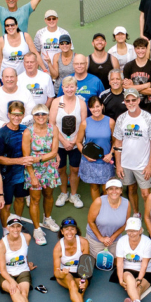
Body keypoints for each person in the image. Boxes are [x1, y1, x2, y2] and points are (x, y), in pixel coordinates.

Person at [113, 88, 151, 217]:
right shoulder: (121, 119)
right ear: (125, 102)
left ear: (138, 100)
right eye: (128, 100)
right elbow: (118, 143)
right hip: (126, 164)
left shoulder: (148, 118)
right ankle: (136, 213)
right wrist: (118, 165)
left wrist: (150, 165)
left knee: (146, 194)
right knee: (131, 189)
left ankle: (148, 216)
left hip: (143, 165)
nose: (131, 103)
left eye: (134, 100)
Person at [22, 104, 61, 244]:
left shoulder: (53, 129)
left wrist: (38, 158)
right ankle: (37, 229)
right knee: (35, 199)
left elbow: (54, 152)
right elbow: (27, 158)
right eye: (37, 114)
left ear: (48, 115)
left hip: (49, 168)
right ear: (33, 116)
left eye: (43, 114)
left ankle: (47, 218)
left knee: (49, 195)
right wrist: (32, 176)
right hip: (33, 170)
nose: (40, 117)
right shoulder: (28, 132)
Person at [0, 101, 32, 234]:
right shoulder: (1, 134)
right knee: (7, 205)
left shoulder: (25, 130)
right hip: (7, 176)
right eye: (13, 115)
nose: (16, 117)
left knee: (20, 199)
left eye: (19, 115)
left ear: (23, 115)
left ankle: (17, 223)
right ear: (8, 115)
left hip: (22, 176)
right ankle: (6, 229)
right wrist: (19, 161)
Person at [49, 76, 87, 209]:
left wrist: (75, 141)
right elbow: (52, 124)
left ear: (76, 88)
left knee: (75, 169)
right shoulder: (56, 102)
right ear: (62, 88)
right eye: (67, 87)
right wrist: (64, 141)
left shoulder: (81, 103)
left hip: (76, 144)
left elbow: (83, 124)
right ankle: (64, 193)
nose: (69, 89)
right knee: (61, 169)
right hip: (59, 143)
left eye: (72, 87)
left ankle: (74, 195)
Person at [0, 214, 39, 302]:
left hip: (22, 270)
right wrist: (12, 281)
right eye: (12, 226)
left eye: (18, 226)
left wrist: (27, 264)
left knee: (24, 292)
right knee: (13, 290)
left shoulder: (27, 237)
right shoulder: (1, 244)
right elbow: (2, 269)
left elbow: (25, 254)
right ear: (8, 228)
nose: (15, 229)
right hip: (5, 273)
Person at [52, 217, 94, 302]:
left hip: (81, 272)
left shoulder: (84, 242)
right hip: (65, 274)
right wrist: (62, 273)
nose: (69, 232)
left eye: (72, 229)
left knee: (79, 289)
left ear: (76, 230)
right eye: (66, 229)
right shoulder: (58, 248)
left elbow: (86, 265)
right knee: (72, 283)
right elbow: (56, 272)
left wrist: (83, 282)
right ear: (62, 232)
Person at [114, 218, 151, 302]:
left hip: (145, 273)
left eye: (134, 231)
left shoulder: (147, 242)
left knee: (137, 289)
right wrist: (120, 279)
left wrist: (139, 279)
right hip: (127, 270)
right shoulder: (122, 241)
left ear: (140, 230)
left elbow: (144, 265)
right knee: (127, 275)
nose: (131, 234)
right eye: (129, 231)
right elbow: (119, 263)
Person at [78, 96, 116, 200]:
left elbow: (116, 141)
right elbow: (78, 142)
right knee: (94, 187)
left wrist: (111, 154)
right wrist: (86, 155)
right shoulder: (85, 123)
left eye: (97, 106)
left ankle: (105, 210)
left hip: (106, 162)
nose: (95, 109)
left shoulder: (110, 122)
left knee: (106, 188)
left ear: (102, 106)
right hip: (90, 162)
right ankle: (97, 209)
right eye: (92, 107)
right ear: (89, 109)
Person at [0, 17, 45, 89]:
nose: (10, 27)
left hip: (23, 77)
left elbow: (35, 54)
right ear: (5, 27)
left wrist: (44, 69)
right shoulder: (1, 40)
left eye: (12, 25)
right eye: (7, 25)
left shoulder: (25, 36)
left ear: (16, 25)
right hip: (7, 78)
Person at [86, 179, 131, 258]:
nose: (114, 191)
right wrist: (101, 238)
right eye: (110, 189)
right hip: (96, 240)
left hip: (114, 240)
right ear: (106, 191)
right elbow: (91, 221)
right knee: (97, 263)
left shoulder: (127, 203)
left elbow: (126, 224)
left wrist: (112, 238)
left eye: (117, 188)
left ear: (121, 190)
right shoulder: (98, 201)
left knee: (115, 262)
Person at [0, 68, 35, 136]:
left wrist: (17, 124)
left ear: (17, 78)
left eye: (12, 77)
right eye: (6, 77)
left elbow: (32, 114)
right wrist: (4, 125)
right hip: (1, 137)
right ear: (2, 79)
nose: (9, 79)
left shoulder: (26, 93)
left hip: (21, 137)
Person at [122, 38, 151, 118]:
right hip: (133, 107)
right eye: (138, 48)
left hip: (150, 108)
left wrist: (133, 87)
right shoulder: (128, 66)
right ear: (134, 49)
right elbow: (126, 88)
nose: (140, 51)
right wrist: (146, 85)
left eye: (143, 48)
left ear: (146, 49)